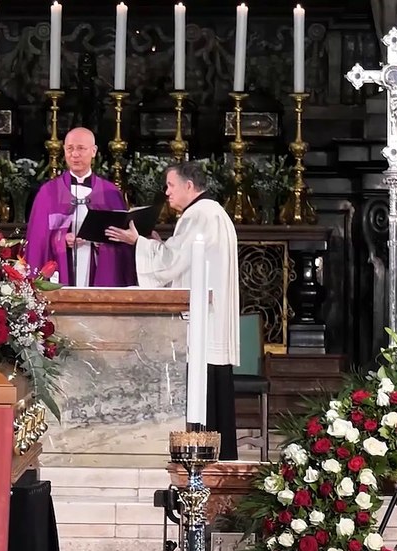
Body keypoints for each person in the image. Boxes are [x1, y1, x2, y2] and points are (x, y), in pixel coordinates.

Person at [105, 161, 240, 460]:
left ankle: (201, 461)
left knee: (203, 391)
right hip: (210, 319)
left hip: (202, 323)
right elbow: (183, 258)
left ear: (189, 186)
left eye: (170, 185)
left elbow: (171, 263)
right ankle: (216, 458)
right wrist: (159, 245)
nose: (166, 192)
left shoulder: (199, 214)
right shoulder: (212, 212)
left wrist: (138, 242)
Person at [23, 127, 136, 287]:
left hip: (98, 271)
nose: (74, 154)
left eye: (81, 148)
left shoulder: (109, 192)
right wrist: (61, 240)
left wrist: (103, 243)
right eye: (70, 148)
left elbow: (123, 241)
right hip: (61, 270)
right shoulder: (48, 192)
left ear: (93, 151)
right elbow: (37, 241)